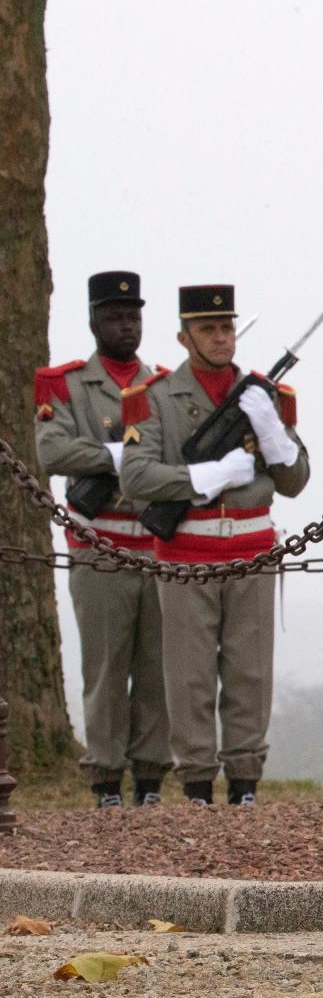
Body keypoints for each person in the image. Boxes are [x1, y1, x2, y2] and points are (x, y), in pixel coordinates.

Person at [117, 284, 310, 807]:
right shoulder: (154, 397)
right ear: (185, 337)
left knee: (250, 672)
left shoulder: (266, 396)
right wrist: (206, 476)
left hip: (251, 548)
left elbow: (296, 482)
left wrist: (274, 436)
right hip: (188, 552)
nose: (221, 338)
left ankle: (245, 781)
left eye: (226, 327)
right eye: (208, 329)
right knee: (189, 677)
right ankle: (197, 783)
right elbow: (136, 476)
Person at [33, 271, 170, 808]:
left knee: (156, 670)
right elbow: (53, 452)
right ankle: (107, 778)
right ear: (94, 321)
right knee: (106, 668)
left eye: (133, 316)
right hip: (100, 543)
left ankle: (152, 777)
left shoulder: (163, 385)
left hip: (155, 545)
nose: (126, 326)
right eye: (115, 317)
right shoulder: (65, 384)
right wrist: (120, 456)